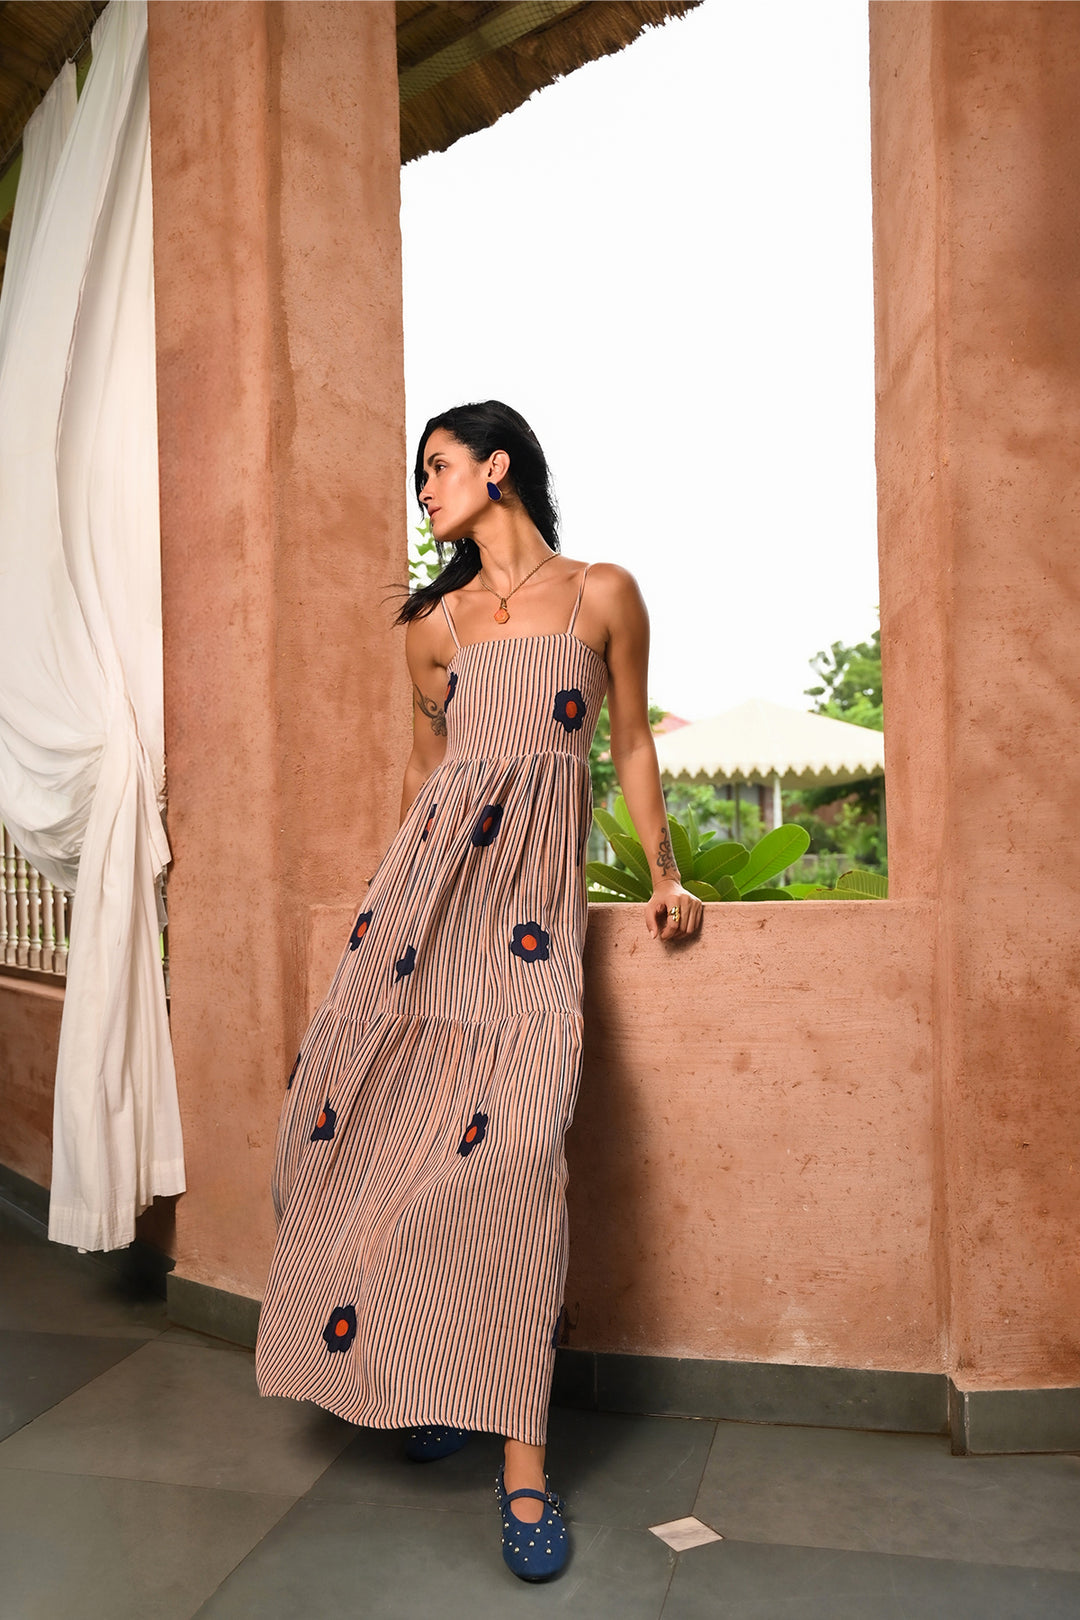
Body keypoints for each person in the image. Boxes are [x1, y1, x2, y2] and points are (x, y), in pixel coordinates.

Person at [254, 400, 703, 1581]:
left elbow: (631, 744)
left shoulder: (602, 593)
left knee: (516, 1170)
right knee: (382, 1146)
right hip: (427, 918)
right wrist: (381, 920)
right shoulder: (432, 627)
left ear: (497, 467)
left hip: (534, 941)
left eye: (438, 467)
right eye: (420, 476)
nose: (425, 491)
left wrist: (665, 873)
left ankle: (524, 1472)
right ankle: (436, 1379)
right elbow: (426, 781)